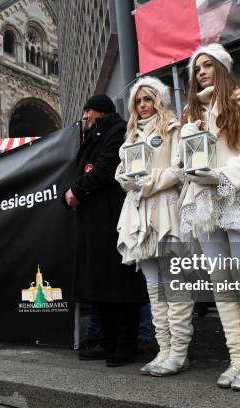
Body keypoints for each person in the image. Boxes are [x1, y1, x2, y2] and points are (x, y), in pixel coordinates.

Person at [179, 43, 240, 390]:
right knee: (221, 284)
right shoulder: (191, 112)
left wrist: (222, 176)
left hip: (238, 198)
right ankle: (236, 359)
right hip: (204, 204)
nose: (201, 71)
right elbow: (181, 161)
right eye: (196, 68)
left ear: (221, 67)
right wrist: (187, 169)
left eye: (207, 65)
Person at [61, 94, 148, 367]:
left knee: (119, 284)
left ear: (100, 113)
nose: (84, 116)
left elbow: (107, 167)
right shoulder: (92, 137)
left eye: (88, 111)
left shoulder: (118, 131)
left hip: (113, 219)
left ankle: (127, 344)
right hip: (94, 221)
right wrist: (71, 189)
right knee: (101, 284)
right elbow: (81, 172)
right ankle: (108, 341)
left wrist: (76, 189)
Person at [115, 76, 191, 376]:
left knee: (174, 285)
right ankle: (164, 349)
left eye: (148, 99)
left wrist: (148, 183)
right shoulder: (130, 136)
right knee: (153, 287)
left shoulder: (173, 128)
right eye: (138, 101)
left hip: (166, 210)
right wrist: (126, 179)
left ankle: (180, 352)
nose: (143, 105)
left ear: (158, 100)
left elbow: (179, 168)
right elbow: (122, 172)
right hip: (138, 214)